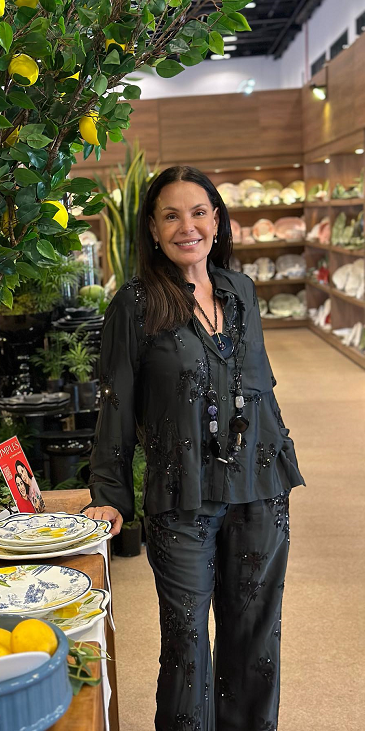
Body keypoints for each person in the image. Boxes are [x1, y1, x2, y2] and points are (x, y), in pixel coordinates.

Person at [84, 166, 305, 731]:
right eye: (171, 215)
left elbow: (259, 386)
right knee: (186, 646)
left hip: (259, 487)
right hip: (181, 494)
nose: (188, 226)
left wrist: (278, 456)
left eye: (199, 212)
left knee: (255, 635)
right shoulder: (134, 306)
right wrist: (109, 494)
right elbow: (116, 405)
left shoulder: (241, 292)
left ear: (217, 220)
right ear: (152, 231)